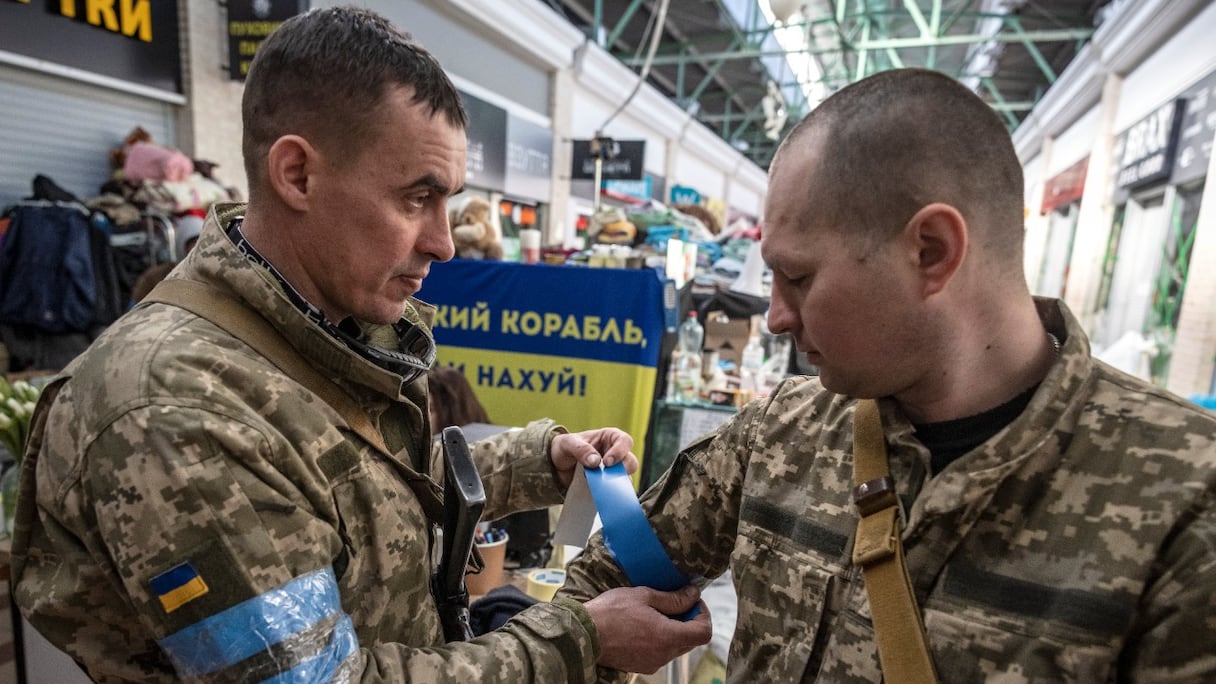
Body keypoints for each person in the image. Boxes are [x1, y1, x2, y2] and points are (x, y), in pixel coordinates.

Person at [10, 7, 708, 682]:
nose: (441, 241)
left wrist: (540, 462)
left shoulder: (311, 324)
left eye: (447, 201)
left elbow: (360, 485)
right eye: (415, 198)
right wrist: (581, 639)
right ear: (298, 175)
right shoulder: (175, 412)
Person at [561, 67, 1216, 681]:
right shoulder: (779, 434)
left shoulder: (1182, 499)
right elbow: (604, 584)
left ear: (930, 251)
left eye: (798, 277)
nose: (776, 319)